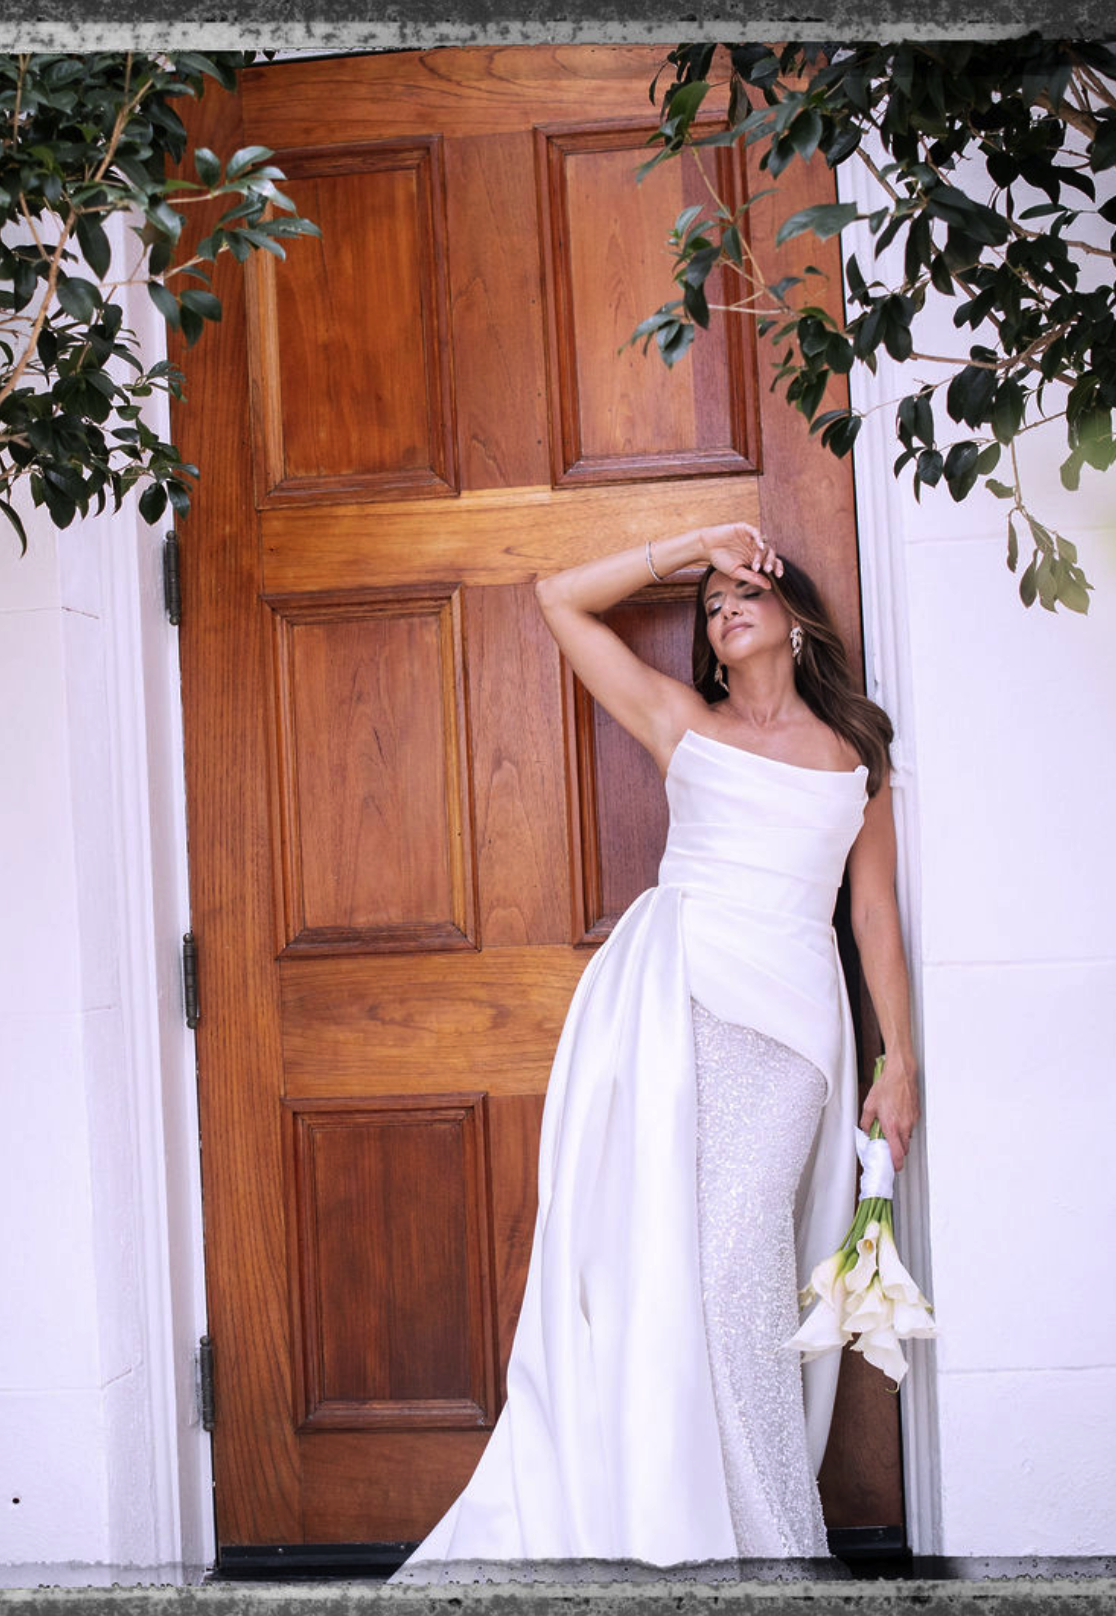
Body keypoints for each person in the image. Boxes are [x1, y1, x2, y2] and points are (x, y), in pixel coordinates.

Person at [392, 519, 920, 1578]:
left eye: (745, 592)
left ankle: (769, 1536)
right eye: (711, 604)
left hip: (793, 1037)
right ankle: (711, 1529)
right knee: (669, 1267)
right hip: (676, 1014)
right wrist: (691, 547)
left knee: (739, 1262)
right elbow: (557, 599)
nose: (725, 610)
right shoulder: (682, 720)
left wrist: (896, 1059)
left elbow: (871, 916)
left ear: (793, 614)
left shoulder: (855, 752)